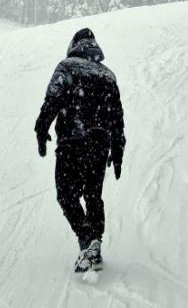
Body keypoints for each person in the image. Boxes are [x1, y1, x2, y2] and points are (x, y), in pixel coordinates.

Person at [35, 28, 125, 273]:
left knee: (66, 195)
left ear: (74, 45)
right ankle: (94, 244)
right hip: (99, 143)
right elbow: (117, 119)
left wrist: (41, 130)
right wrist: (117, 151)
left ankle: (86, 239)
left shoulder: (66, 67)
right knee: (93, 195)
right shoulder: (108, 76)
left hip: (71, 142)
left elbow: (51, 100)